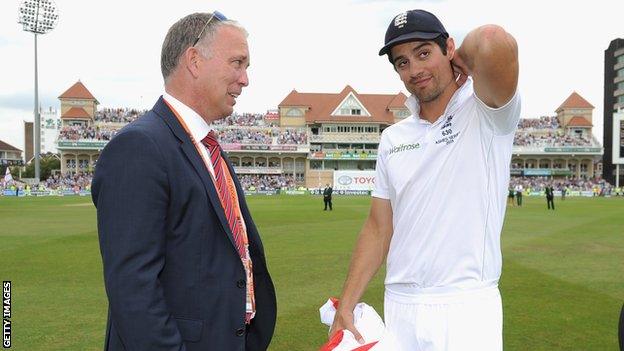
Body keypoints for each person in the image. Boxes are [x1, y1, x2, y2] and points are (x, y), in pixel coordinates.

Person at [329, 9, 520, 351]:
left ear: (449, 48)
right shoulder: (393, 137)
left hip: (466, 307)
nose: (414, 70)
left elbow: (492, 40)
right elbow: (378, 228)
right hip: (400, 306)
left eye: (423, 53)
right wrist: (347, 302)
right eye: (402, 62)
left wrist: (463, 59)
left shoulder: (487, 110)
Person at [91, 12, 276, 351]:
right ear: (194, 60)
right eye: (237, 63)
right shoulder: (140, 147)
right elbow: (133, 289)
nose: (245, 79)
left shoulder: (207, 147)